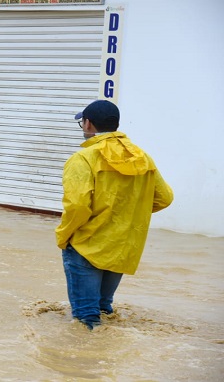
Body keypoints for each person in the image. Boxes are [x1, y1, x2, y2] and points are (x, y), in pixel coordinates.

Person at [55, 100, 174, 330]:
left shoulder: (83, 159)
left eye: (82, 122)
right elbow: (164, 198)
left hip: (86, 246)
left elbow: (78, 206)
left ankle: (82, 364)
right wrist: (125, 215)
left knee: (85, 319)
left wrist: (64, 235)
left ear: (88, 124)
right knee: (103, 310)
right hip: (122, 246)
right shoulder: (142, 157)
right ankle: (108, 360)